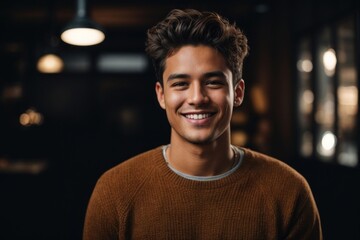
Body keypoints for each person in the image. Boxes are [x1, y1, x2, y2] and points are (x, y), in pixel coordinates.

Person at [83, 8, 322, 239]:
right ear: (161, 95)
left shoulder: (289, 192)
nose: (197, 98)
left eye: (213, 82)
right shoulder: (114, 192)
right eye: (180, 84)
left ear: (237, 93)